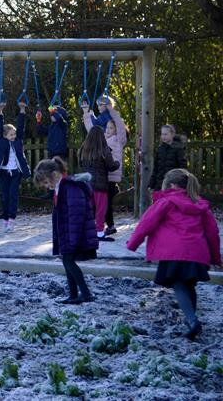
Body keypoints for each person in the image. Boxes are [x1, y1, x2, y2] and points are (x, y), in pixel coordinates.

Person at [127, 169, 221, 340]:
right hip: (196, 253)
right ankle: (191, 321)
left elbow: (146, 224)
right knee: (189, 285)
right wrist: (215, 257)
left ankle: (193, 321)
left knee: (177, 283)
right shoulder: (200, 204)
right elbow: (213, 233)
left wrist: (133, 243)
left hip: (173, 253)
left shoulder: (166, 202)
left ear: (171, 185)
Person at [34, 157, 98, 304]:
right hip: (67, 233)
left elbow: (76, 215)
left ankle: (86, 293)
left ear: (55, 174)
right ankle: (73, 294)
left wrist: (73, 238)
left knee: (68, 261)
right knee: (66, 261)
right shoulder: (61, 188)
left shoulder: (70, 187)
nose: (46, 186)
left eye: (45, 181)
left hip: (74, 233)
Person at [83, 99, 127, 236]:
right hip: (102, 175)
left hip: (112, 174)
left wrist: (111, 110)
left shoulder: (119, 140)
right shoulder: (101, 139)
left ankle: (110, 225)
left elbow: (119, 124)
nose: (108, 130)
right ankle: (103, 225)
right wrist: (86, 113)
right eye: (107, 128)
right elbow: (92, 130)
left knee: (105, 202)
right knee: (101, 202)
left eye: (111, 129)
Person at [0, 102, 31, 232]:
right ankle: (6, 219)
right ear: (5, 136)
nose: (14, 136)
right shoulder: (2, 142)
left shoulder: (18, 141)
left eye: (14, 134)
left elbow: (21, 126)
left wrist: (22, 110)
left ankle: (12, 220)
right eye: (11, 135)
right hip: (4, 173)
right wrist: (0, 111)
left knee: (13, 196)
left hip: (16, 173)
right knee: (5, 197)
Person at [79, 126, 119, 242]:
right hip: (100, 185)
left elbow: (80, 163)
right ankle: (100, 232)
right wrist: (117, 163)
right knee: (101, 209)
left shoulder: (83, 149)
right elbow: (111, 166)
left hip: (87, 184)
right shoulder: (104, 149)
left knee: (88, 209)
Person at [148, 125, 188, 193]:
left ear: (172, 134)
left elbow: (182, 168)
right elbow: (156, 169)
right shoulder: (160, 149)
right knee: (159, 201)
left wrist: (180, 183)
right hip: (160, 183)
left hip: (173, 184)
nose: (163, 136)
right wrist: (151, 184)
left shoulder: (179, 149)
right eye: (162, 134)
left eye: (166, 134)